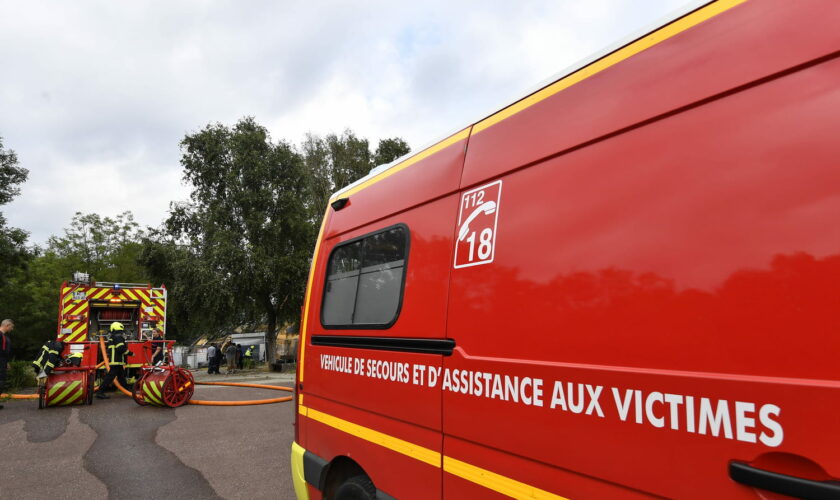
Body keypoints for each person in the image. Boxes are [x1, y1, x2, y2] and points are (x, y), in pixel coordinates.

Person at [95, 323, 131, 399]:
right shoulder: (118, 337)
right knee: (110, 377)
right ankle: (100, 392)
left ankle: (128, 390)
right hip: (116, 360)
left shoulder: (113, 336)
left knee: (121, 377)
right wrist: (131, 353)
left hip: (117, 360)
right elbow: (120, 349)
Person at [0, 319, 13, 409]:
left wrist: (6, 362)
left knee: (1, 380)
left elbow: (5, 351)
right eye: (11, 327)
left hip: (3, 361)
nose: (12, 329)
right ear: (7, 325)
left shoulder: (4, 336)